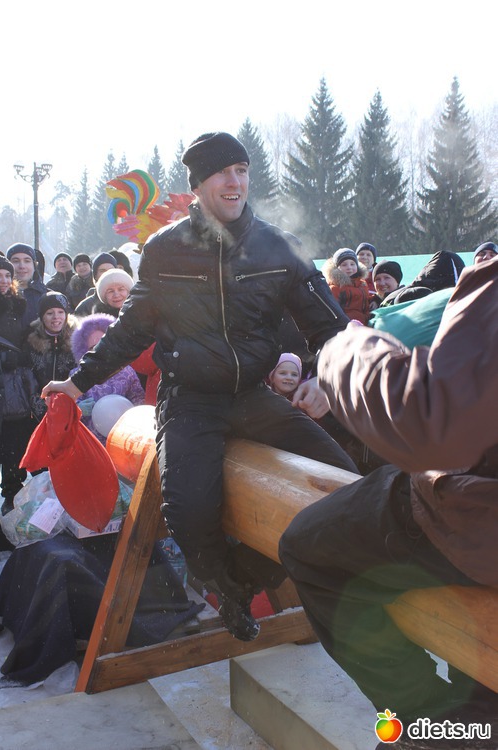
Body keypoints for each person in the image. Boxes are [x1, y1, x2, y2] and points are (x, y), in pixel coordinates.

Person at [41, 131, 358, 642]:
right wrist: (77, 383)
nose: (235, 182)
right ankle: (224, 587)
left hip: (253, 397)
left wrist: (325, 375)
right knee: (188, 512)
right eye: (222, 173)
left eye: (242, 170)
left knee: (344, 481)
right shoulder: (166, 248)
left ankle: (249, 576)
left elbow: (333, 329)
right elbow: (132, 329)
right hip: (190, 399)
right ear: (198, 185)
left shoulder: (277, 246)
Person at [279, 256, 498, 749]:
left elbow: (432, 425)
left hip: (479, 523)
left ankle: (436, 723)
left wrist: (341, 348)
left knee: (308, 547)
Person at [0, 257, 36, 514]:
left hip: (14, 390)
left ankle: (11, 497)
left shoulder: (20, 305)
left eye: (6, 276)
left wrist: (24, 356)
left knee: (13, 446)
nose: (2, 281)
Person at [70, 313, 145, 444]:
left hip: (123, 438)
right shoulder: (77, 374)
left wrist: (132, 412)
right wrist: (78, 409)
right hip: (91, 441)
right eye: (92, 348)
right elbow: (69, 408)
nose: (99, 352)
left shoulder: (126, 371)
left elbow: (138, 398)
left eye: (102, 345)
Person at [24, 291, 77, 422]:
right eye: (49, 313)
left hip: (71, 408)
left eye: (60, 312)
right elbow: (28, 379)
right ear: (42, 316)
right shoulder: (30, 341)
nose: (56, 317)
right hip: (38, 412)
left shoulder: (77, 340)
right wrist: (41, 407)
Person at [322, 248, 370, 324]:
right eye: (344, 265)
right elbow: (333, 310)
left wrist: (374, 299)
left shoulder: (362, 284)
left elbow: (366, 301)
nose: (349, 267)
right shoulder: (335, 287)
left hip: (364, 322)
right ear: (337, 268)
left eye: (352, 264)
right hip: (346, 324)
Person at [6, 243, 49, 327]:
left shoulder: (47, 296)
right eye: (16, 261)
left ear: (34, 265)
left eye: (27, 261)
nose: (22, 266)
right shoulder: (1, 295)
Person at [74, 252, 118, 317]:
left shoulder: (125, 301)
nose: (107, 273)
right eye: (102, 271)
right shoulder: (84, 308)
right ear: (95, 275)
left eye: (111, 270)